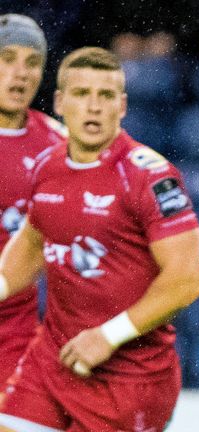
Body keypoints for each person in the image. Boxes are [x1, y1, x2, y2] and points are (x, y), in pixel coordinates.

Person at [0, 47, 199, 431]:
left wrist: (108, 336)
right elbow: (31, 244)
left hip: (131, 379)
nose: (93, 106)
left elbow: (189, 277)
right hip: (53, 361)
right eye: (81, 94)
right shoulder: (47, 165)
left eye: (106, 95)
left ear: (122, 106)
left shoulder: (149, 175)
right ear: (61, 102)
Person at [0, 13, 67, 389]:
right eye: (7, 59)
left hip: (17, 336)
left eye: (32, 62)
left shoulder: (59, 145)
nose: (21, 73)